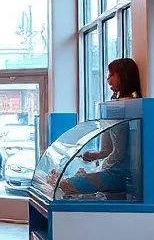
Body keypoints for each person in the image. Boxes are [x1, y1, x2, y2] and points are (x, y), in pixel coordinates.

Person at [58, 58, 141, 197]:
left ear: (124, 76)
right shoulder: (130, 105)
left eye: (111, 75)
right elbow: (108, 150)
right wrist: (94, 158)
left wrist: (101, 167)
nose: (108, 79)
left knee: (65, 184)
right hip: (123, 173)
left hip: (118, 175)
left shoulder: (120, 107)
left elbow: (118, 153)